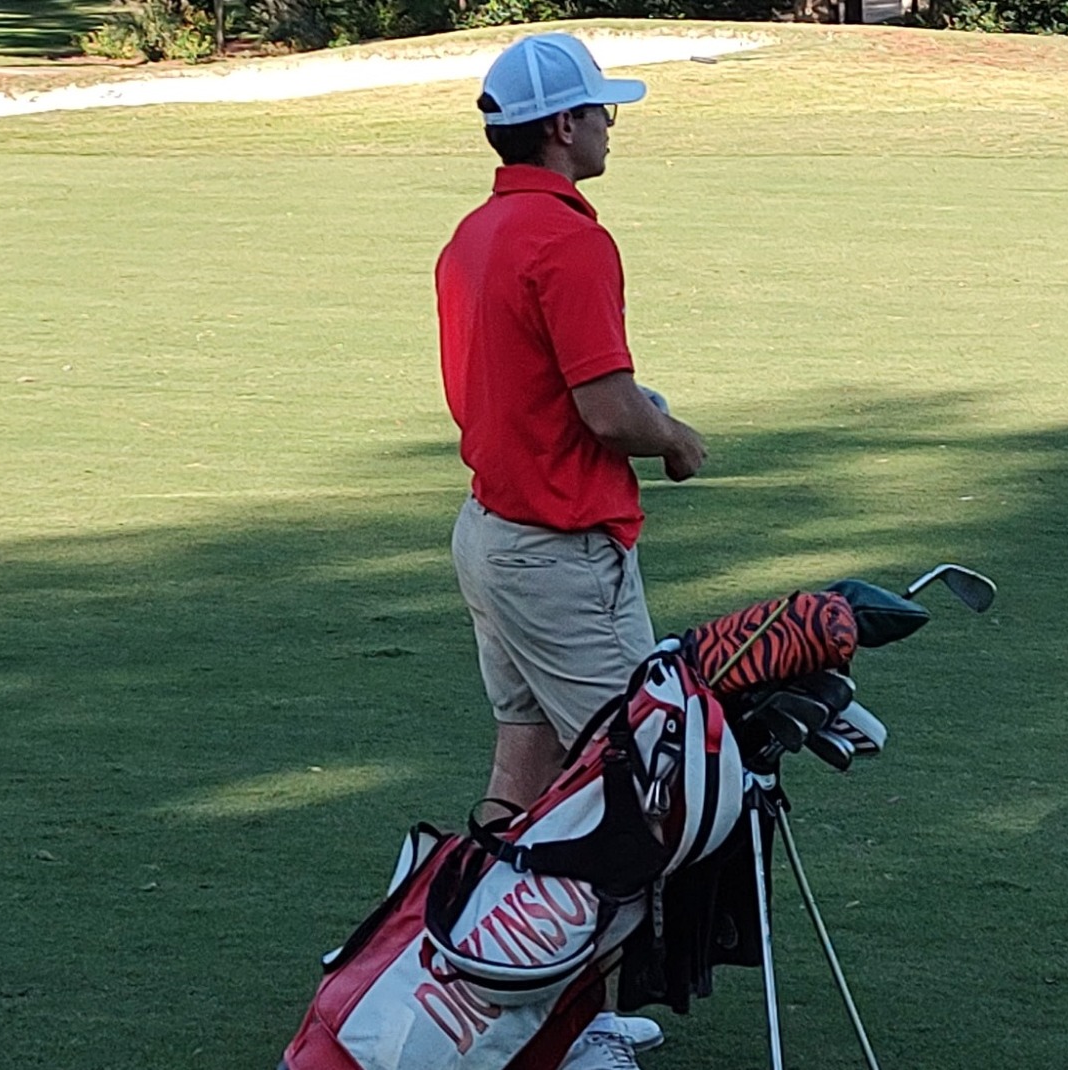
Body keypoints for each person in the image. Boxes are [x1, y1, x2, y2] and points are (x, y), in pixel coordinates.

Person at [435, 32, 709, 1070]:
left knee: (526, 775)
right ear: (562, 126)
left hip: (493, 538)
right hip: (558, 554)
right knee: (626, 793)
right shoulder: (569, 240)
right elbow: (605, 409)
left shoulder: (475, 233)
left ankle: (458, 983)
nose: (609, 124)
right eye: (598, 111)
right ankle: (556, 1022)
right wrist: (674, 437)